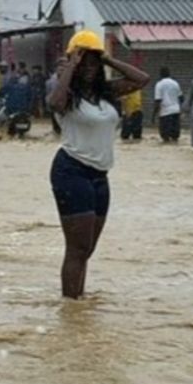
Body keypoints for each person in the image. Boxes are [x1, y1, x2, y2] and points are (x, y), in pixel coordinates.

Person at [47, 30, 149, 299]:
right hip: (71, 171)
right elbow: (55, 103)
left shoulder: (107, 92)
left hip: (100, 176)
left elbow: (142, 79)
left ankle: (78, 299)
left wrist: (107, 59)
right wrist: (71, 65)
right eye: (86, 62)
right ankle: (71, 306)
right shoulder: (68, 95)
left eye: (94, 63)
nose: (90, 68)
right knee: (77, 248)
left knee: (87, 248)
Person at [152, 67, 182, 143]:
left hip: (165, 113)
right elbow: (181, 98)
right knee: (175, 137)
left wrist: (153, 115)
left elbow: (158, 100)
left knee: (165, 137)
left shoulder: (159, 84)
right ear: (169, 74)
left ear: (160, 74)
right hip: (176, 111)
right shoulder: (175, 83)